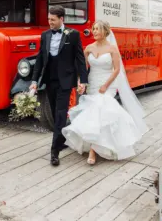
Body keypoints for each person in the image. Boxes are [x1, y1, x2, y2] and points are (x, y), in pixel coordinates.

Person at [62, 21, 148, 165]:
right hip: (93, 82)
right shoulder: (89, 48)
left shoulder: (112, 49)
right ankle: (96, 144)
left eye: (97, 29)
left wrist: (106, 85)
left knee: (101, 109)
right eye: (94, 29)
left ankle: (93, 151)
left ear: (105, 32)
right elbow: (82, 68)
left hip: (108, 84)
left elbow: (116, 70)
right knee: (95, 114)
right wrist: (80, 82)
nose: (94, 31)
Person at [29, 5, 88, 166]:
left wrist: (83, 80)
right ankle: (61, 140)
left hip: (65, 80)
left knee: (61, 113)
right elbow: (40, 59)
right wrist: (34, 81)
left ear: (62, 19)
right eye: (49, 19)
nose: (50, 22)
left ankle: (54, 151)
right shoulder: (45, 35)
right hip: (49, 79)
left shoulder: (73, 35)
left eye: (53, 20)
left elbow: (80, 59)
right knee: (56, 115)